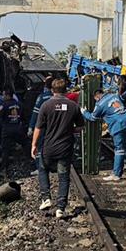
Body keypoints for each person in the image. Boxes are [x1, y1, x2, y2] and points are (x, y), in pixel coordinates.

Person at [32, 78, 84, 219]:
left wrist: (34, 145)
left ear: (52, 90)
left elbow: (38, 127)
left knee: (43, 169)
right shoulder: (73, 106)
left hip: (49, 147)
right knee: (63, 177)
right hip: (65, 148)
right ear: (66, 90)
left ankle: (46, 198)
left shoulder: (46, 105)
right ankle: (60, 208)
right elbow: (80, 127)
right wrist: (69, 129)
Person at [83, 87, 126, 180]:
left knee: (119, 149)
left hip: (118, 125)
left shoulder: (99, 104)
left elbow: (92, 118)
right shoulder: (114, 96)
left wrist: (84, 112)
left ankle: (116, 174)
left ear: (97, 97)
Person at [0, 89, 29, 170]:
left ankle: (4, 167)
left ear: (7, 95)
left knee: (5, 149)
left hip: (7, 130)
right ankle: (29, 159)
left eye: (4, 95)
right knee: (25, 143)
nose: (3, 96)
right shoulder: (19, 104)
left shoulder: (4, 105)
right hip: (18, 129)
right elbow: (24, 118)